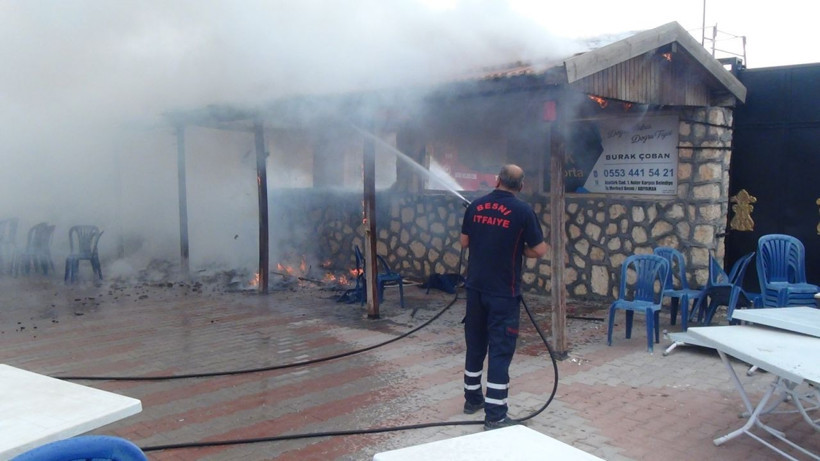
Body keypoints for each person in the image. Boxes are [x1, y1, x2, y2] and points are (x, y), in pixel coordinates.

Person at [459, 164, 547, 430]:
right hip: (503, 294)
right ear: (521, 186)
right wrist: (520, 250)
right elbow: (540, 249)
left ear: (497, 181)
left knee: (475, 344)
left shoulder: (475, 206)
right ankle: (495, 415)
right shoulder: (523, 211)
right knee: (500, 350)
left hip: (475, 289)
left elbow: (464, 242)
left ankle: (472, 400)